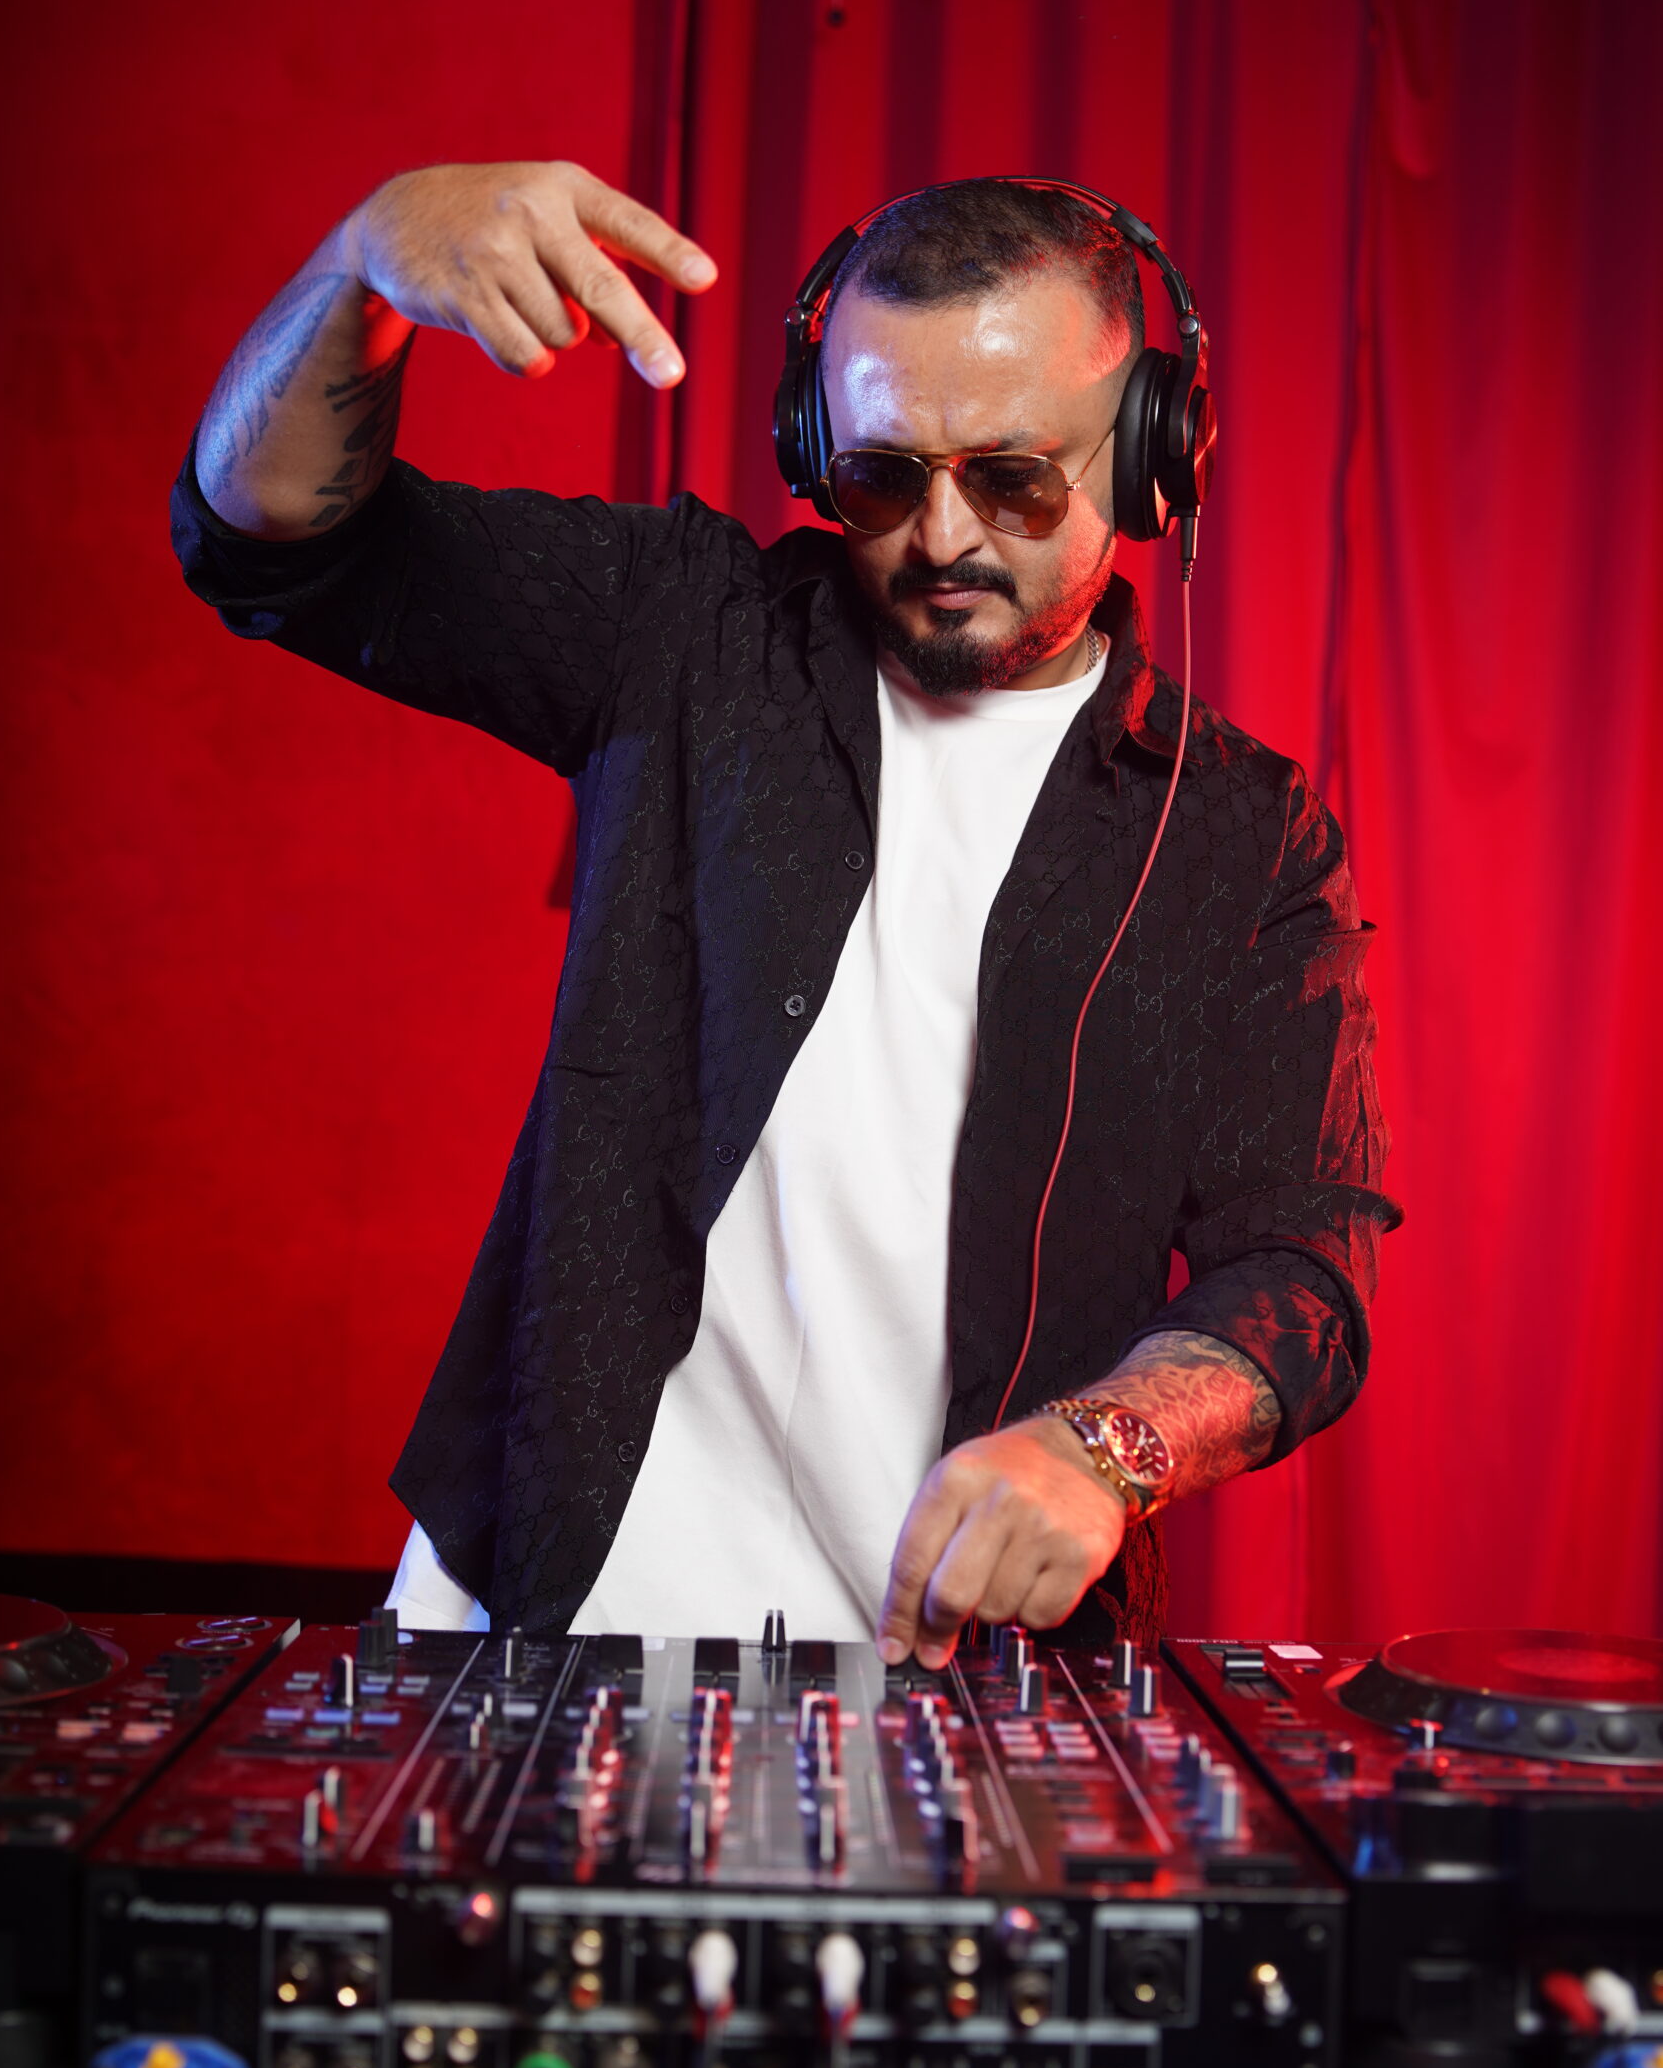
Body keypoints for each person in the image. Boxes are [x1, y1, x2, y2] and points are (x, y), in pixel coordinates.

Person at [172, 159, 1397, 1668]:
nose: (942, 537)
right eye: (882, 476)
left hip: (956, 1682)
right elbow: (267, 536)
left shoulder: (1247, 839)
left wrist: (1109, 1447)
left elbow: (1305, 1271)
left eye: (1014, 478)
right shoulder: (689, 631)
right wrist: (359, 264)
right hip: (547, 1619)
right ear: (814, 448)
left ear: (1152, 454)